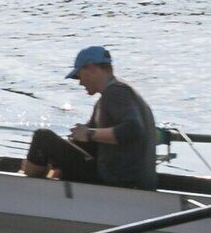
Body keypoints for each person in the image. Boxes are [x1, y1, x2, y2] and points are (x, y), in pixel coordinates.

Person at [22, 46, 158, 188]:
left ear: (92, 69)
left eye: (79, 76)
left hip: (117, 182)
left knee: (42, 137)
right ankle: (38, 171)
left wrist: (88, 133)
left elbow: (133, 129)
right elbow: (87, 146)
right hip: (132, 181)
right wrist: (56, 160)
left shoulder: (116, 92)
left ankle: (26, 185)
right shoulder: (118, 94)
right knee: (54, 149)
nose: (80, 82)